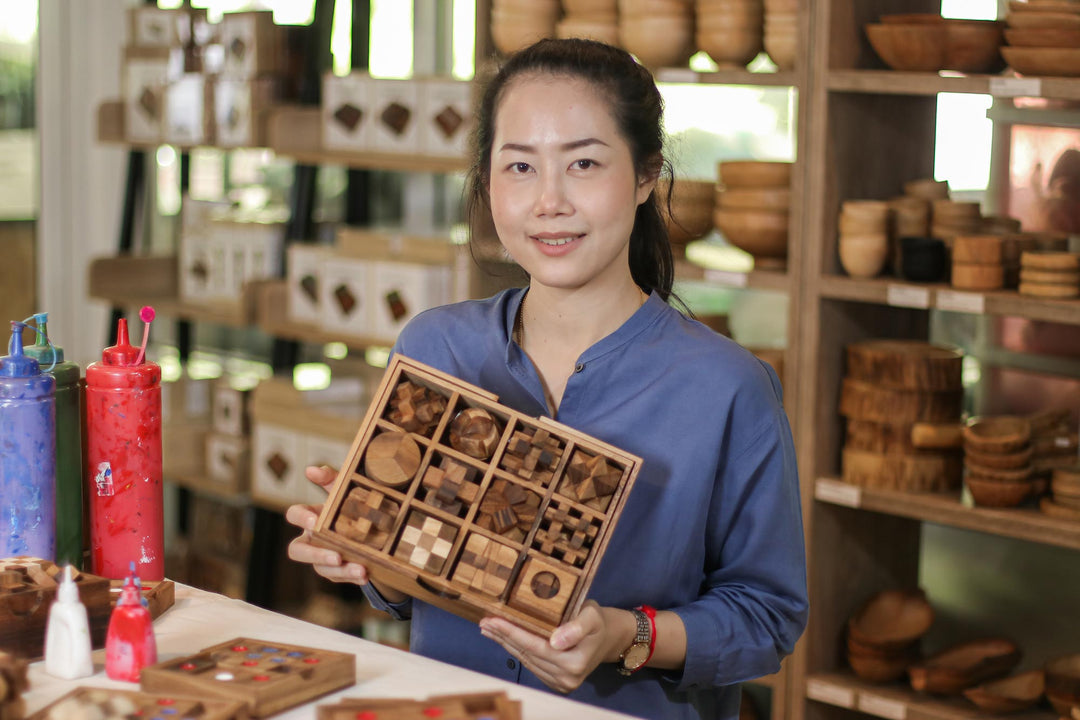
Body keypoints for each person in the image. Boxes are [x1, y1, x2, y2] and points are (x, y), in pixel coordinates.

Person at [286, 38, 807, 720]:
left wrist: (627, 634)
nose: (549, 201)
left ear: (647, 175)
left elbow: (767, 619)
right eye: (521, 167)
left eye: (584, 163)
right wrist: (366, 546)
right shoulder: (435, 347)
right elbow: (410, 583)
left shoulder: (728, 387)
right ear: (487, 181)